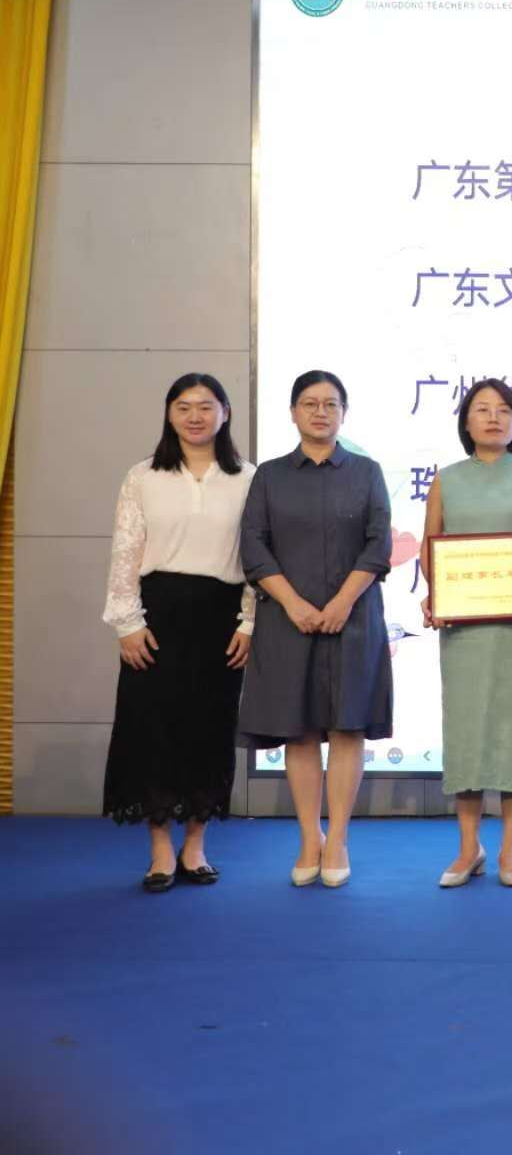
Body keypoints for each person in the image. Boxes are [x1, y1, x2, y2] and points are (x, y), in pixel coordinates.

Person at [238, 371, 393, 889]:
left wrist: (343, 601)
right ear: (293, 412)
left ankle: (339, 838)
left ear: (344, 413)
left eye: (330, 403)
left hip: (354, 618)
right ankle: (310, 837)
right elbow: (254, 546)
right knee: (299, 729)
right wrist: (295, 604)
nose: (320, 412)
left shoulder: (367, 472)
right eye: (310, 403)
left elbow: (378, 544)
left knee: (348, 728)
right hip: (288, 621)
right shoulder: (270, 476)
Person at [102, 373, 255, 892]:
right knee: (153, 730)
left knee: (209, 729)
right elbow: (125, 551)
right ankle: (160, 850)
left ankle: (195, 844)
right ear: (169, 414)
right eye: (184, 406)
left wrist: (250, 621)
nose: (195, 416)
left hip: (221, 620)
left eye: (206, 406)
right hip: (157, 617)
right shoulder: (143, 476)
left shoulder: (248, 479)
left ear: (225, 413)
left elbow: (256, 558)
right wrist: (127, 622)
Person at [421, 379, 512, 889]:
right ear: (466, 421)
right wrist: (438, 595)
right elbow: (431, 548)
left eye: (504, 410)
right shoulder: (446, 480)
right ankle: (468, 847)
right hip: (464, 630)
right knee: (467, 732)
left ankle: (510, 847)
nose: (494, 417)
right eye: (482, 409)